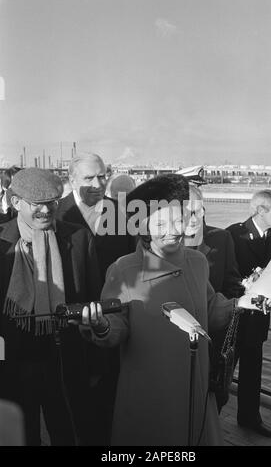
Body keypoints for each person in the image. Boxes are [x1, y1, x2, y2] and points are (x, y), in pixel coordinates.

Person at [83, 173, 255, 446]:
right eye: (161, 223)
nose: (174, 229)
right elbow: (118, 325)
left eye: (179, 220)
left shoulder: (198, 262)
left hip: (195, 385)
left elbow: (209, 309)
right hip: (150, 389)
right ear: (142, 226)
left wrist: (240, 303)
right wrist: (103, 326)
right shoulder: (124, 269)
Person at [0, 168, 104, 446]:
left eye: (53, 202)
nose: (46, 210)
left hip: (64, 361)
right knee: (21, 435)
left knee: (68, 432)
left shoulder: (79, 239)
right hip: (13, 364)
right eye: (37, 203)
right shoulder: (1, 244)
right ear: (15, 202)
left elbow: (94, 296)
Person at [55, 152, 135, 444]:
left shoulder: (123, 214)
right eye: (89, 177)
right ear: (71, 179)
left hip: (113, 320)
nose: (98, 183)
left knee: (109, 395)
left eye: (102, 176)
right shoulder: (55, 214)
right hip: (70, 324)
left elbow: (135, 265)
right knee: (73, 399)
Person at [226, 189, 271, 438]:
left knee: (253, 370)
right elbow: (226, 277)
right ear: (260, 210)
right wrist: (247, 285)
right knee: (223, 371)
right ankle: (205, 420)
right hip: (235, 316)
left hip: (259, 317)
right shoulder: (233, 234)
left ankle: (250, 419)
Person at [184, 183, 244, 412]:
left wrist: (249, 289)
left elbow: (232, 284)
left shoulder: (222, 238)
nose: (194, 217)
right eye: (187, 211)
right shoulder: (159, 242)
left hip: (212, 343)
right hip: (174, 344)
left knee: (210, 408)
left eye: (199, 210)